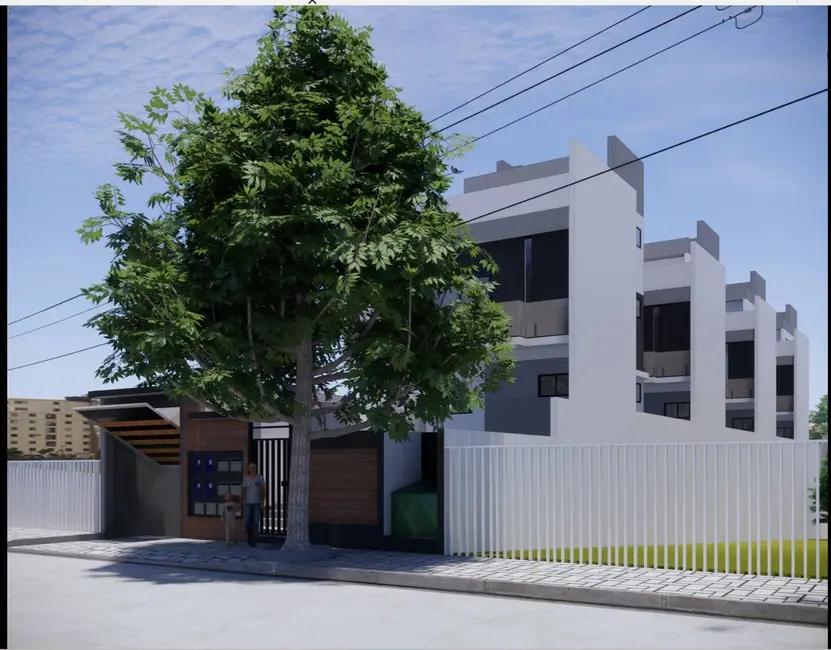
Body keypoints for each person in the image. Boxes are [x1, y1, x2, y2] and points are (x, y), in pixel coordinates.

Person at [240, 462, 266, 547]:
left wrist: (262, 502)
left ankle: (253, 541)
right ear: (248, 469)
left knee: (255, 522)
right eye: (251, 467)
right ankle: (249, 537)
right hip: (247, 503)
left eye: (254, 467)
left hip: (257, 503)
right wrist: (241, 502)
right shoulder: (246, 479)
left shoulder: (260, 478)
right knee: (247, 522)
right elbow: (243, 491)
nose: (252, 469)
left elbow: (263, 491)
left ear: (256, 468)